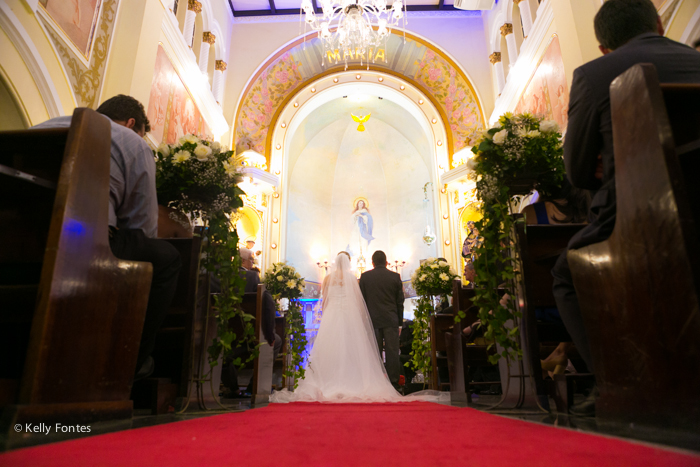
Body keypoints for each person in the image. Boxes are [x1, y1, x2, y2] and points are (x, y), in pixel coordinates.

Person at [551, 0, 700, 415]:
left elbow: (578, 171)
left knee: (566, 274)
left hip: (638, 214)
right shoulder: (695, 60)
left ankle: (616, 383)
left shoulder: (595, 75)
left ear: (603, 47)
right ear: (658, 23)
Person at [31, 95, 182, 380]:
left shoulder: (47, 125)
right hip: (82, 241)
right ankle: (130, 363)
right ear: (131, 123)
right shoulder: (132, 141)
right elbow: (141, 225)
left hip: (22, 240)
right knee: (166, 258)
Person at [270, 253, 447, 403]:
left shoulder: (328, 278)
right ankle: (372, 381)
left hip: (333, 315)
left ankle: (329, 380)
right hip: (350, 316)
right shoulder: (353, 279)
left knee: (331, 349)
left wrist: (325, 315)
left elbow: (325, 300)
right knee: (352, 350)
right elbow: (359, 302)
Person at [360, 250, 404, 388]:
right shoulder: (395, 277)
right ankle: (394, 383)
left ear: (372, 263)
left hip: (372, 320)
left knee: (374, 353)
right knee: (392, 353)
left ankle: (375, 383)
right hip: (391, 320)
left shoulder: (365, 277)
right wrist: (400, 324)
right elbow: (399, 302)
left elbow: (362, 302)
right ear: (386, 262)